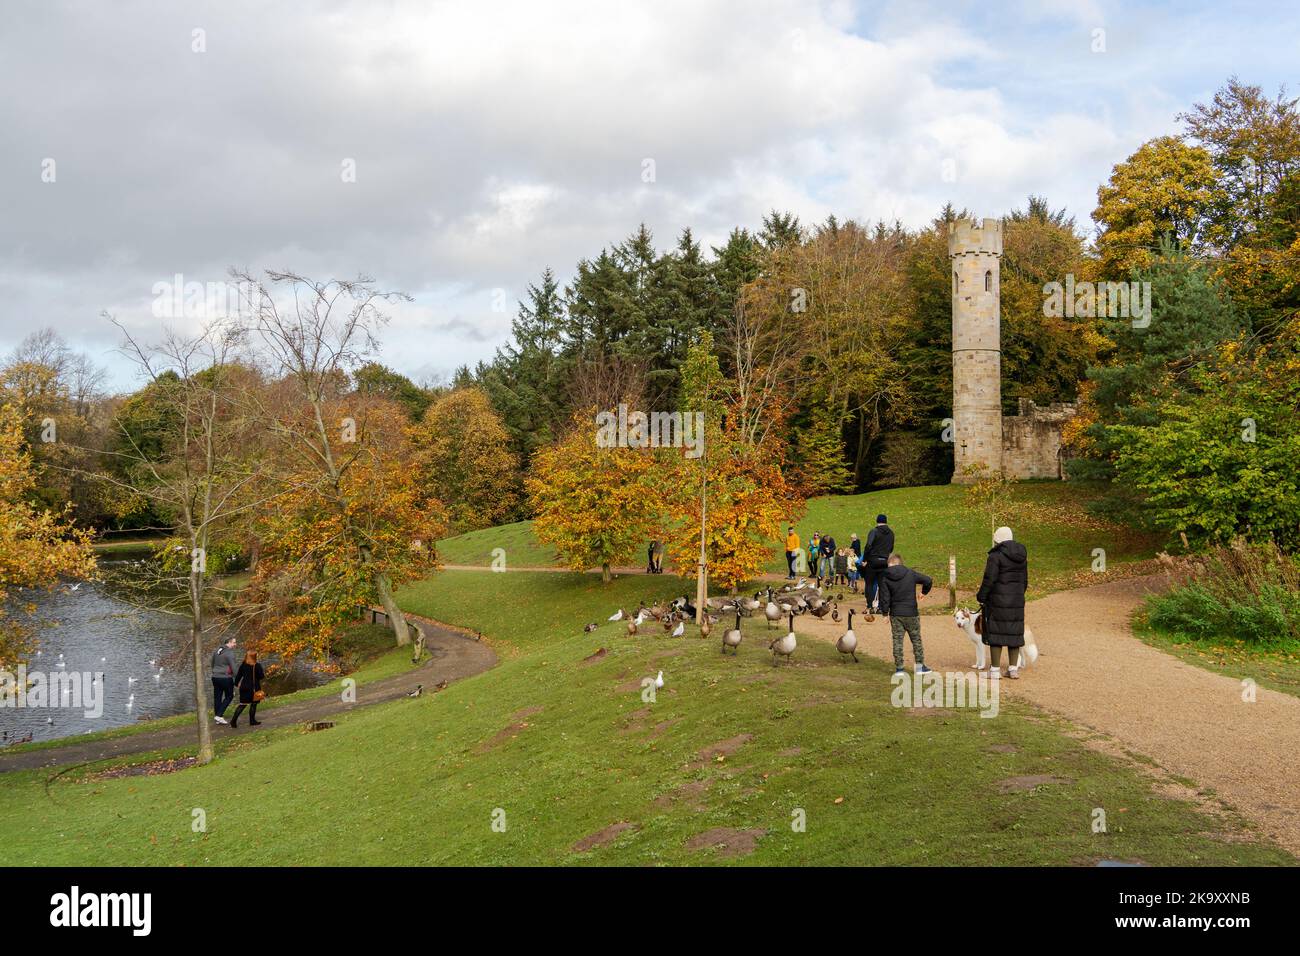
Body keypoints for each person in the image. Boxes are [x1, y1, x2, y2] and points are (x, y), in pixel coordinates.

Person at [976, 526, 1029, 679]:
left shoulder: (995, 556)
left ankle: (994, 670)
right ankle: (1013, 669)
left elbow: (989, 579)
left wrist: (982, 596)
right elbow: (1024, 580)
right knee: (1014, 633)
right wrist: (1018, 595)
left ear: (997, 538)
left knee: (996, 632)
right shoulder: (1022, 555)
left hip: (997, 600)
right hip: (1017, 599)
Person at [878, 553, 932, 675]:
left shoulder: (885, 576)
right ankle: (920, 667)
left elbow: (884, 597)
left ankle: (899, 669)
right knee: (916, 640)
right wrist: (923, 592)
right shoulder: (910, 573)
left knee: (897, 641)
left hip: (896, 614)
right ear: (900, 563)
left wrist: (885, 613)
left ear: (889, 564)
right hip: (911, 612)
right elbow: (928, 580)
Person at [863, 514, 895, 611]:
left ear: (877, 521)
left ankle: (869, 606)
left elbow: (868, 545)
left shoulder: (874, 531)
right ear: (886, 521)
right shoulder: (891, 533)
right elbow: (891, 548)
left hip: (873, 560)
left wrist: (865, 559)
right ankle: (882, 607)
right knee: (882, 585)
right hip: (884, 561)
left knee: (869, 583)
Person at [229, 650, 266, 728]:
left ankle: (233, 721)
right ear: (254, 657)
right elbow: (261, 676)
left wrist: (236, 684)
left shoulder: (243, 665)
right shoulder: (257, 665)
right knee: (253, 704)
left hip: (244, 687)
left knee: (242, 705)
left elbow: (238, 676)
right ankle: (252, 721)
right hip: (254, 688)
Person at [210, 636, 237, 725]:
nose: (235, 644)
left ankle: (218, 718)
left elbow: (212, 663)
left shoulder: (217, 650)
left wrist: (215, 672)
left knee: (217, 697)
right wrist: (236, 677)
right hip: (225, 678)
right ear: (229, 642)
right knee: (230, 695)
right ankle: (219, 715)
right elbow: (234, 667)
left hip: (215, 677)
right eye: (234, 642)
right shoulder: (229, 653)